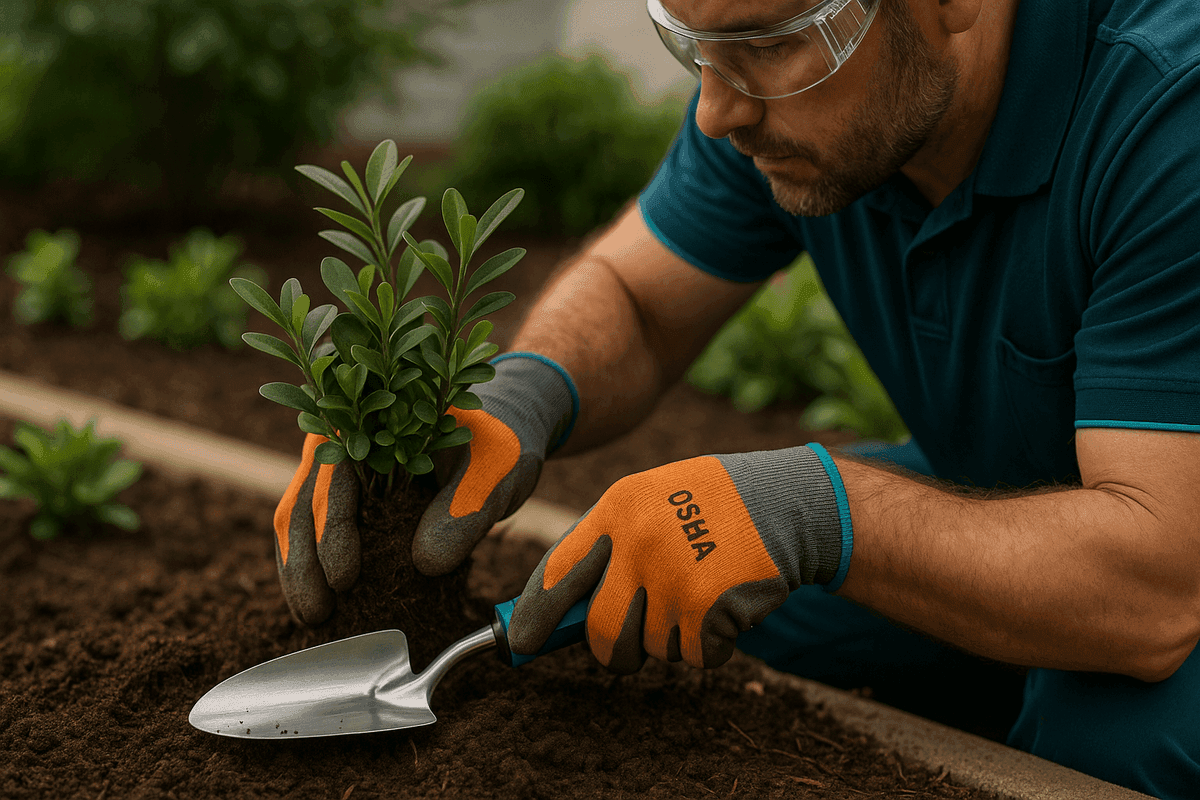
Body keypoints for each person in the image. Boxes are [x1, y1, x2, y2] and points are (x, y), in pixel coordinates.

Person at [273, 0, 1200, 795]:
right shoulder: (807, 103)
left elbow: (1157, 584)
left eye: (765, 43)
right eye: (696, 46)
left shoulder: (1167, 109)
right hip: (1054, 508)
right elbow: (638, 303)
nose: (717, 110)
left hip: (1166, 567)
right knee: (698, 609)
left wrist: (813, 512)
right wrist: (519, 397)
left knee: (1110, 744)